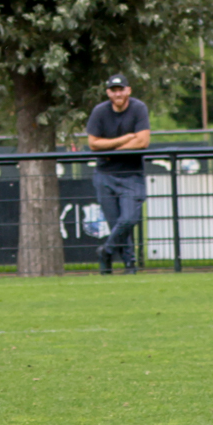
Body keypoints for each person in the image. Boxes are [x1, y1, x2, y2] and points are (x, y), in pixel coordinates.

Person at [86, 74, 150, 275]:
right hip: (104, 175)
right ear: (108, 93)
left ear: (128, 90)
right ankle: (130, 266)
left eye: (121, 89)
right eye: (114, 90)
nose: (118, 93)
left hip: (132, 174)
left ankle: (106, 251)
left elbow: (142, 141)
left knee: (128, 219)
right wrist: (124, 140)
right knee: (117, 224)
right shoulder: (99, 111)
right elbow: (93, 143)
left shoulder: (139, 108)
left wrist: (110, 152)